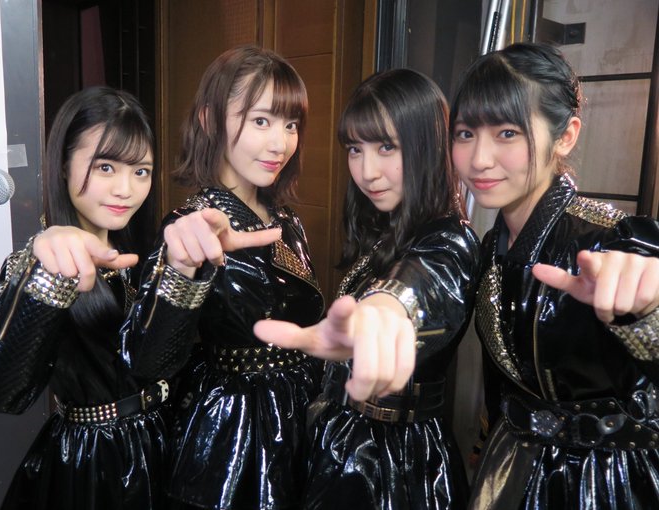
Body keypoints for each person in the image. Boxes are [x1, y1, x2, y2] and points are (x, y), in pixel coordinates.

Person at [255, 68, 481, 509]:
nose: (366, 171)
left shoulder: (449, 238)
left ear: (427, 144)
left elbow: (421, 285)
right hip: (347, 441)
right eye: (356, 150)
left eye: (386, 147)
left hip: (396, 464)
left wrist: (385, 311)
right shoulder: (389, 230)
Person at [449, 41, 659, 509]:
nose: (479, 159)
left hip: (605, 482)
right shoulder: (490, 246)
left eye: (507, 133)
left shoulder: (613, 240)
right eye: (465, 133)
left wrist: (649, 311)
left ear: (565, 136)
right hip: (511, 467)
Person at [121, 45, 324, 509]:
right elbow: (147, 361)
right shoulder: (190, 226)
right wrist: (183, 269)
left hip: (296, 418)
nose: (280, 143)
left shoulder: (285, 218)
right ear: (210, 120)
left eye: (290, 125)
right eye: (261, 121)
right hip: (232, 434)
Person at [0, 86, 169, 509]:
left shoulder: (143, 253)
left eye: (141, 171)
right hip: (95, 461)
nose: (126, 189)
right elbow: (0, 390)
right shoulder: (38, 262)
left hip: (162, 442)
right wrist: (46, 274)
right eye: (106, 167)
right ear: (64, 165)